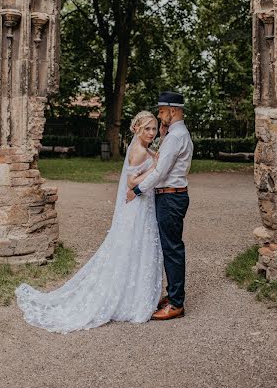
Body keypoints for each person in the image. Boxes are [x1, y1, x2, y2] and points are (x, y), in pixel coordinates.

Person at [15, 111, 163, 334]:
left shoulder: (144, 148)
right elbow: (132, 183)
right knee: (133, 246)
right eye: (147, 129)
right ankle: (131, 299)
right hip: (138, 205)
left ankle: (132, 294)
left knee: (135, 248)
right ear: (137, 130)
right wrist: (154, 169)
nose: (151, 133)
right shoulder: (139, 151)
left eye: (154, 128)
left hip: (141, 205)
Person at [126, 91, 193, 321]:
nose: (159, 115)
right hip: (171, 196)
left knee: (172, 249)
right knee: (169, 247)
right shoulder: (173, 134)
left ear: (173, 111)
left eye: (162, 111)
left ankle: (176, 303)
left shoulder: (176, 137)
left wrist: (136, 190)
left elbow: (160, 171)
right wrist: (163, 135)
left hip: (171, 198)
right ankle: (173, 295)